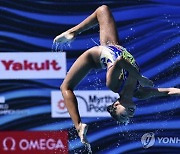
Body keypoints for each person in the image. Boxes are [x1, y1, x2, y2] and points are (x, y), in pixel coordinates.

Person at [53, 5, 180, 144]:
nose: (130, 115)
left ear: (116, 105)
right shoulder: (141, 93)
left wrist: (140, 78)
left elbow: (120, 62)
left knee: (65, 87)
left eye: (123, 115)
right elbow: (167, 92)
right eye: (128, 117)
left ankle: (78, 126)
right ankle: (74, 32)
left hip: (94, 57)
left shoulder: (114, 85)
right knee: (103, 10)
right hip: (114, 46)